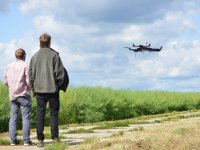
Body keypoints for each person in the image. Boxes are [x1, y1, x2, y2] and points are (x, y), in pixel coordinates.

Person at [29, 33, 69, 147]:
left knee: (40, 114)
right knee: (54, 114)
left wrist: (34, 88)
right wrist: (58, 86)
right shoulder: (55, 55)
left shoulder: (34, 57)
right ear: (50, 43)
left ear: (40, 43)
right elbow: (60, 74)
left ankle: (40, 140)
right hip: (52, 90)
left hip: (39, 90)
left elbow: (30, 75)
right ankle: (55, 138)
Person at [3, 49, 34, 146]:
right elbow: (29, 81)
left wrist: (11, 88)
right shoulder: (26, 65)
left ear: (15, 56)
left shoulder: (8, 66)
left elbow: (5, 81)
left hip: (12, 96)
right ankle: (26, 140)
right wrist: (28, 90)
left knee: (13, 118)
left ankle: (12, 140)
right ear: (24, 56)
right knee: (26, 118)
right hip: (23, 95)